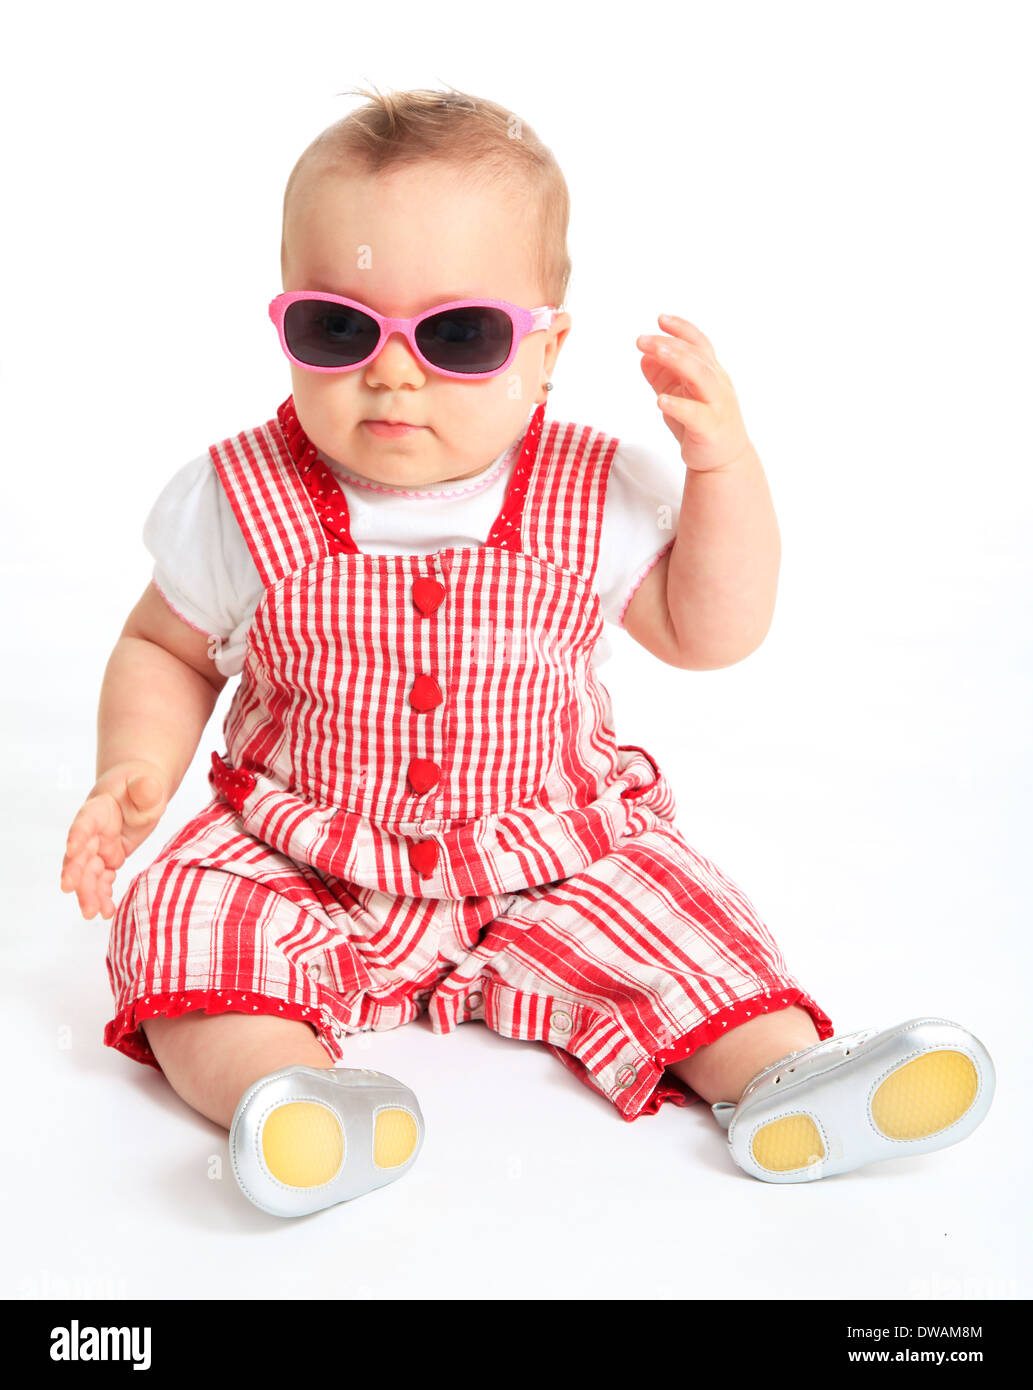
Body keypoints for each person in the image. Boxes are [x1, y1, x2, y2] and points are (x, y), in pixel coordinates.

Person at [61, 85, 994, 1218]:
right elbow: (167, 645)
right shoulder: (236, 495)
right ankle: (291, 1098)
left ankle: (779, 1077)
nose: (391, 373)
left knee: (677, 918)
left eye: (458, 336)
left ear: (546, 350)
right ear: (285, 324)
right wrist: (136, 768)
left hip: (551, 849)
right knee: (183, 928)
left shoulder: (596, 492)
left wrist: (722, 473)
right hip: (300, 844)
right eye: (337, 328)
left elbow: (713, 633)